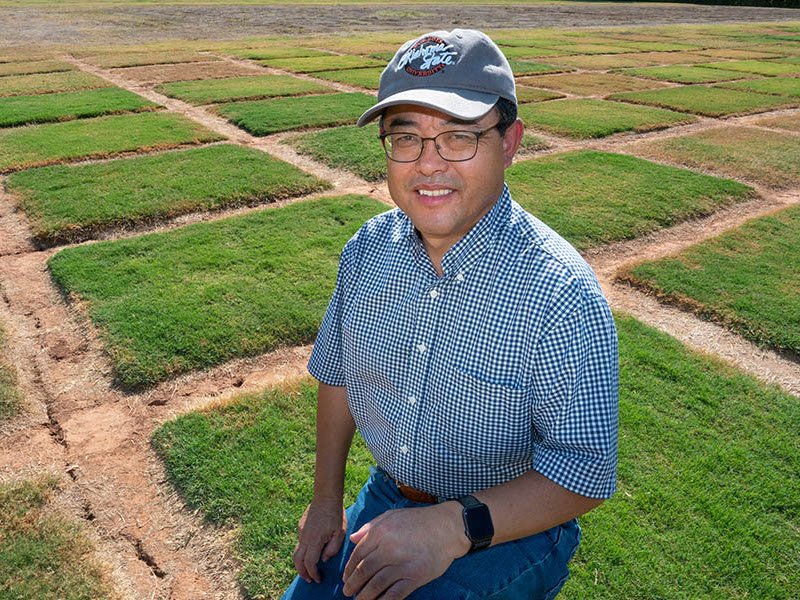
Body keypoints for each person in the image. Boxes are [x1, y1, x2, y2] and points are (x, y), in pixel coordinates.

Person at [282, 28, 618, 600]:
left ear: (509, 142)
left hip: (508, 527)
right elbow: (336, 375)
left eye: (459, 137)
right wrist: (324, 500)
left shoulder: (560, 293)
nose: (428, 167)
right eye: (406, 139)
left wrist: (451, 527)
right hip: (388, 496)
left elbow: (584, 471)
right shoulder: (368, 250)